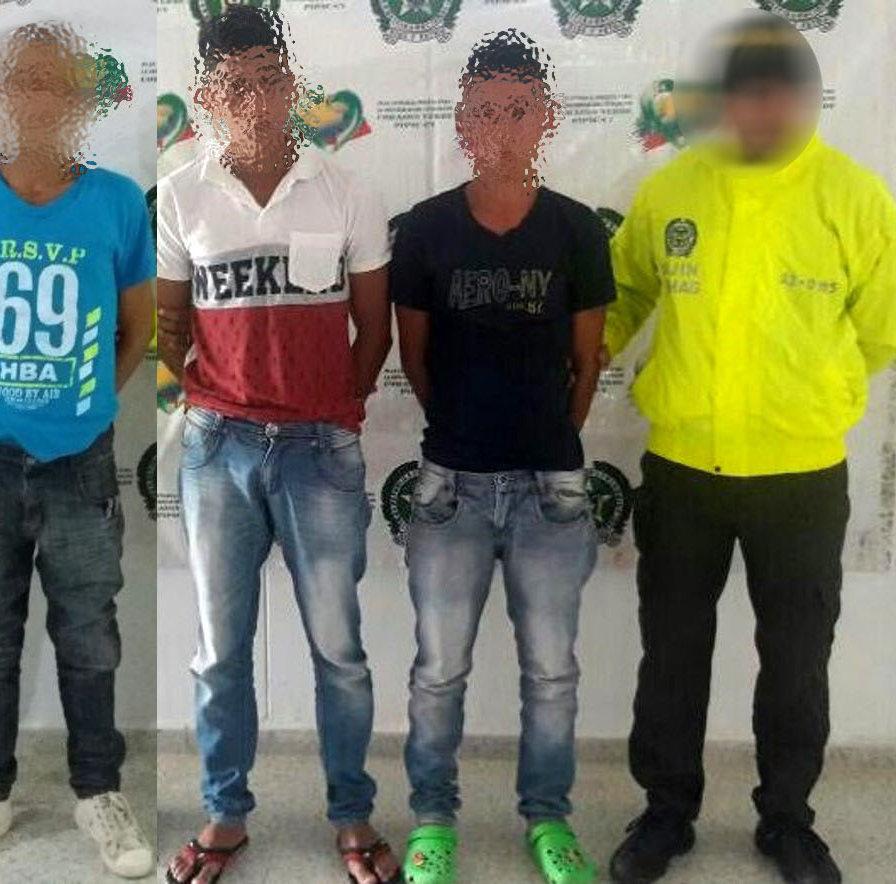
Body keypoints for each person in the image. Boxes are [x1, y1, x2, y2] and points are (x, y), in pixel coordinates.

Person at [603, 14, 896, 884]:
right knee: (672, 655)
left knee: (796, 663)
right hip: (683, 472)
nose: (762, 108)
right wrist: (583, 352)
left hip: (801, 475)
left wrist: (809, 390)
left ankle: (787, 821)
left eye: (780, 91)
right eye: (745, 91)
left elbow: (886, 327)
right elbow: (625, 292)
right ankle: (666, 813)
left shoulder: (852, 197)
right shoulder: (674, 189)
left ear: (807, 98)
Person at [155, 6, 396, 883]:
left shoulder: (348, 191)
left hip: (318, 451)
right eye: (234, 85)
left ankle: (352, 815)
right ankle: (225, 814)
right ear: (208, 97)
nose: (254, 99)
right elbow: (169, 326)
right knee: (219, 654)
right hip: (217, 450)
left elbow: (374, 329)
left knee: (340, 651)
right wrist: (216, 400)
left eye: (268, 79)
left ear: (292, 85)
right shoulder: (180, 195)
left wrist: (335, 409)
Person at [0, 20, 156, 880]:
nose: (37, 99)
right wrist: (2, 392)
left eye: (55, 83)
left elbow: (139, 327)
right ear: (0, 97)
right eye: (22, 82)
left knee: (90, 637)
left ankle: (98, 792)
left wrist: (85, 402)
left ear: (80, 99)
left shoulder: (119, 202)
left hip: (80, 463)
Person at [387, 30, 606, 884]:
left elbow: (586, 363)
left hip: (552, 488)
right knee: (439, 671)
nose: (501, 129)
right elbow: (415, 359)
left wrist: (548, 442)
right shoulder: (426, 230)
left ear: (544, 119)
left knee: (551, 673)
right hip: (452, 488)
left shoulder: (577, 229)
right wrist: (467, 437)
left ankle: (547, 818)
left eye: (518, 111)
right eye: (484, 112)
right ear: (462, 122)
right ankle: (432, 820)